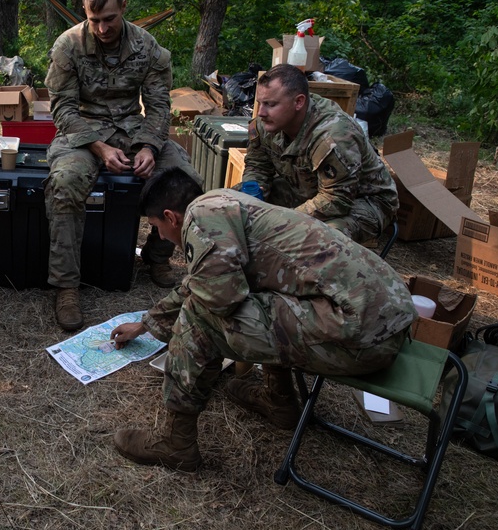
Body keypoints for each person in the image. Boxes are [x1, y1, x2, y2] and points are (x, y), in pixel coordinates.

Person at [109, 168, 415, 472]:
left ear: (171, 216)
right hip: (386, 321)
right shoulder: (226, 202)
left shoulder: (201, 218)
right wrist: (147, 323)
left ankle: (175, 442)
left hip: (361, 336)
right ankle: (278, 399)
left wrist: (172, 328)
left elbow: (216, 298)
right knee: (260, 293)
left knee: (199, 316)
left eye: (157, 227)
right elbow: (204, 280)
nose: (161, 236)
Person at [44, 0, 202, 331]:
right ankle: (66, 285)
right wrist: (99, 147)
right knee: (65, 183)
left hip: (134, 129)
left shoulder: (148, 47)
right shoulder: (67, 46)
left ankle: (157, 256)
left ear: (124, 8)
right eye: (94, 19)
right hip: (83, 134)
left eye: (110, 19)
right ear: (85, 13)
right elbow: (63, 110)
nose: (102, 28)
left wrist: (149, 145)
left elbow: (160, 106)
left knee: (187, 180)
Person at [240, 63, 398, 244]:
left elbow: (336, 200)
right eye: (260, 103)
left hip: (363, 201)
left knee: (318, 239)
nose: (261, 112)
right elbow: (257, 165)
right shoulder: (266, 123)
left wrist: (281, 221)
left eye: (271, 104)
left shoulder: (333, 136)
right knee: (231, 203)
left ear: (298, 102)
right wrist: (253, 191)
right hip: (306, 189)